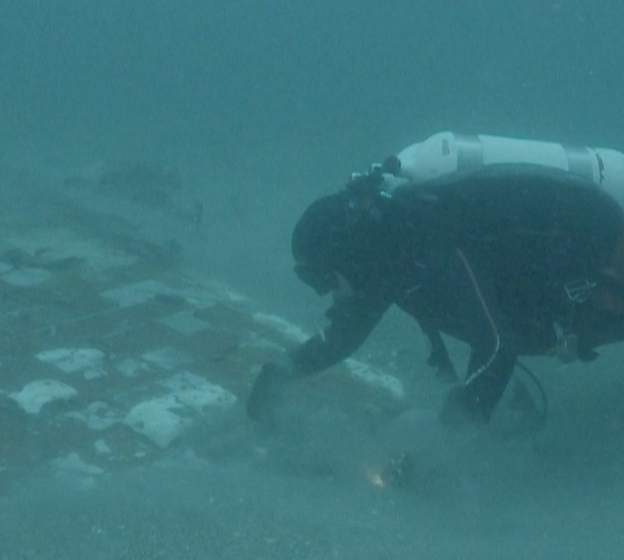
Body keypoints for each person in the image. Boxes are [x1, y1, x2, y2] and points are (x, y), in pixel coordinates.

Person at [247, 160, 624, 426]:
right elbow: (342, 339)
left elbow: (495, 346)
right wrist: (281, 372)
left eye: (322, 278)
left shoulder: (429, 243)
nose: (324, 292)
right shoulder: (386, 261)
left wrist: (453, 433)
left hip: (600, 244)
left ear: (345, 254)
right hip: (574, 271)